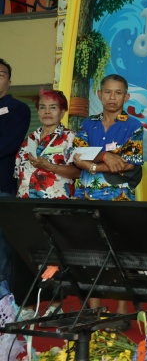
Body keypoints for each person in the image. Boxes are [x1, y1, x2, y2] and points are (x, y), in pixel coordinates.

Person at [72, 74, 144, 329]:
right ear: (99, 95)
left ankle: (122, 313)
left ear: (126, 97)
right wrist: (105, 157)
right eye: (108, 92)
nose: (112, 97)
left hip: (118, 197)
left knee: (119, 253)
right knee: (89, 253)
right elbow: (76, 154)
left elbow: (128, 163)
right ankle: (94, 311)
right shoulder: (87, 123)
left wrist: (92, 165)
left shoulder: (133, 125)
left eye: (118, 93)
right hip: (86, 196)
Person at [13, 89, 80, 319]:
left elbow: (77, 172)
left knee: (54, 255)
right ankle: (27, 306)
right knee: (25, 254)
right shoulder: (29, 140)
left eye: (53, 107)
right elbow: (19, 175)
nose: (47, 112)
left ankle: (55, 303)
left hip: (56, 205)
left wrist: (50, 167)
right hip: (26, 206)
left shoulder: (71, 138)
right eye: (42, 107)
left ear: (62, 112)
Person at [0, 58, 31, 290]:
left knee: (2, 247)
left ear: (9, 82)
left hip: (2, 186)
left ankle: (3, 299)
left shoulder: (18, 108)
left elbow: (8, 144)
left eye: (1, 74)